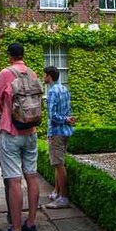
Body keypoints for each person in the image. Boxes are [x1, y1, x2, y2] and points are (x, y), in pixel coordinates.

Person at [0, 43, 40, 231]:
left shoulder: (5, 73)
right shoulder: (32, 73)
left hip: (11, 132)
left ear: (10, 56)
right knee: (32, 176)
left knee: (14, 181)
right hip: (31, 132)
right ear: (23, 55)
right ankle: (31, 224)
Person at [43, 66, 75, 209]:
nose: (43, 77)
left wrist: (65, 119)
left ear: (49, 76)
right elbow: (68, 111)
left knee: (59, 164)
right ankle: (56, 192)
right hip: (66, 132)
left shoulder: (52, 92)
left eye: (44, 75)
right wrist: (67, 119)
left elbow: (52, 116)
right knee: (58, 163)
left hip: (56, 131)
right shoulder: (64, 89)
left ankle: (63, 197)